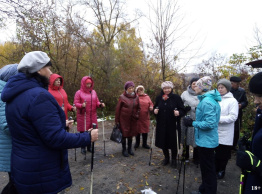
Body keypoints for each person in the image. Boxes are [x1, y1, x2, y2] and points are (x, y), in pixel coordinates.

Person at [1, 51, 99, 194]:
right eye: (49, 68)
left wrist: (60, 124)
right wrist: (87, 137)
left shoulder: (15, 95)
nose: (51, 72)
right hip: (40, 172)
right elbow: (56, 138)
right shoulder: (38, 96)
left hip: (24, 168)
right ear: (39, 69)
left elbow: (29, 128)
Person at [184, 76, 221, 194]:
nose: (194, 87)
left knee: (208, 170)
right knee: (205, 169)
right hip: (205, 140)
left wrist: (192, 123)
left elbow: (210, 124)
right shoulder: (206, 99)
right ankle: (203, 189)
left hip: (207, 141)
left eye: (197, 85)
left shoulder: (207, 102)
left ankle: (209, 191)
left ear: (202, 88)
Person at [236, 72, 262, 193]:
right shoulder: (260, 114)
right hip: (253, 184)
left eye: (260, 96)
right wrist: (250, 148)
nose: (256, 101)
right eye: (255, 96)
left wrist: (257, 165)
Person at [154, 81, 185, 168]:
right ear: (162, 89)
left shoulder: (176, 97)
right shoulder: (159, 97)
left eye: (168, 88)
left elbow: (183, 110)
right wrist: (155, 111)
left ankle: (174, 159)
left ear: (171, 89)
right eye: (165, 88)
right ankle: (166, 158)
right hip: (162, 124)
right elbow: (155, 107)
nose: (166, 90)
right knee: (163, 141)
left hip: (173, 124)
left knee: (173, 142)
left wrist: (178, 112)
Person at [74, 76, 105, 154]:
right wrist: (81, 105)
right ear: (83, 83)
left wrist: (100, 105)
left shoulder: (93, 92)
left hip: (92, 115)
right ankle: (82, 147)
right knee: (83, 132)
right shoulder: (79, 92)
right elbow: (76, 103)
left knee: (91, 131)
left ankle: (89, 146)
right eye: (87, 84)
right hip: (83, 116)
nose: (88, 85)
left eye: (90, 84)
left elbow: (96, 102)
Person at [0, 64, 18, 194]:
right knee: (16, 184)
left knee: (16, 183)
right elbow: (6, 125)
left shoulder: (8, 92)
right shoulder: (2, 94)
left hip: (12, 147)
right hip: (9, 148)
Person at [215, 78, 238, 179]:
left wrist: (217, 119)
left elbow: (233, 117)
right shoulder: (216, 99)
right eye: (219, 87)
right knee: (215, 152)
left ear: (227, 88)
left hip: (225, 132)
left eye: (222, 87)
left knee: (223, 154)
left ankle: (222, 170)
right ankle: (215, 168)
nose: (220, 89)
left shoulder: (232, 101)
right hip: (215, 131)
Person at [115, 81, 140, 157]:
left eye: (132, 87)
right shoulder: (122, 97)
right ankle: (124, 149)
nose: (131, 89)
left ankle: (130, 149)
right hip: (124, 119)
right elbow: (118, 109)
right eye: (129, 88)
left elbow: (139, 108)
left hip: (133, 119)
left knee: (131, 134)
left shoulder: (136, 97)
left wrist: (137, 114)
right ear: (126, 89)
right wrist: (117, 120)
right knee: (124, 134)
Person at [180, 77, 200, 164]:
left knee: (196, 138)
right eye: (193, 83)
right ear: (190, 84)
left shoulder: (202, 94)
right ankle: (185, 155)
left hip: (197, 119)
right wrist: (184, 108)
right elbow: (179, 105)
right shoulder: (185, 93)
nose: (195, 85)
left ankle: (196, 157)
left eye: (197, 84)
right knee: (185, 137)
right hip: (186, 118)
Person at [230, 76, 248, 149]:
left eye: (238, 83)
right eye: (236, 83)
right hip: (228, 113)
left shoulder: (242, 91)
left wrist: (241, 105)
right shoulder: (227, 91)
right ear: (231, 83)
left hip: (238, 113)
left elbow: (245, 102)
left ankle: (234, 145)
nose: (238, 85)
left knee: (237, 130)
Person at [134, 85, 154, 149]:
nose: (140, 91)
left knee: (145, 130)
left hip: (145, 116)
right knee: (137, 130)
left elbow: (151, 103)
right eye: (138, 90)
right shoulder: (135, 97)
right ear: (136, 91)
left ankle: (144, 144)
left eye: (141, 90)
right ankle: (137, 143)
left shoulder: (147, 97)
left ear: (143, 90)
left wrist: (151, 107)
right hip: (137, 117)